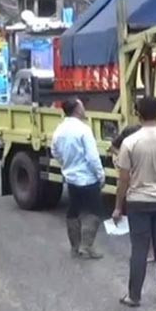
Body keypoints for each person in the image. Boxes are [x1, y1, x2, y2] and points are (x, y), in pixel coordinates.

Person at [112, 96, 156, 306]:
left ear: (138, 114)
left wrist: (118, 207)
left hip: (138, 201)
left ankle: (134, 296)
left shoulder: (130, 142)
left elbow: (123, 179)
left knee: (139, 249)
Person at [50, 97, 105, 259]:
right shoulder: (83, 130)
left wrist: (65, 165)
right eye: (81, 106)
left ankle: (75, 247)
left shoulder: (59, 130)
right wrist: (100, 175)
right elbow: (92, 157)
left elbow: (55, 151)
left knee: (73, 211)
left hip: (71, 178)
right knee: (95, 212)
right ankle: (87, 246)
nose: (84, 108)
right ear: (77, 110)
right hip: (88, 178)